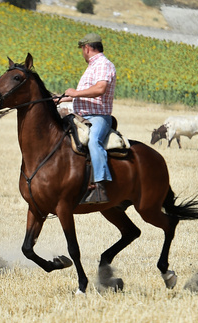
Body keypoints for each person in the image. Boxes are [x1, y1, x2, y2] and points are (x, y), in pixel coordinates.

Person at [62, 33, 117, 204]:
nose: (82, 53)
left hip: (98, 117)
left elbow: (100, 88)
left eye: (82, 50)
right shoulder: (92, 67)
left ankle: (100, 186)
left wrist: (76, 93)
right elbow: (83, 95)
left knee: (94, 141)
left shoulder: (103, 64)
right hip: (82, 116)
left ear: (86, 48)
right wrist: (59, 98)